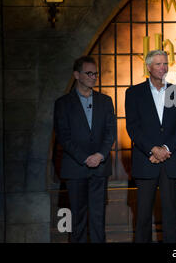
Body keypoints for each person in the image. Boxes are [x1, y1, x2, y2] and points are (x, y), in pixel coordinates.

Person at [125, 50, 176, 243]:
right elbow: (133, 127)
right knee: (143, 214)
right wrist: (153, 149)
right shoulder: (134, 93)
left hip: (170, 161)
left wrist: (166, 149)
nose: (163, 67)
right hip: (146, 160)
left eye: (165, 64)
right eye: (159, 64)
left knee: (170, 213)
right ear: (148, 67)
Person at [54, 55, 116, 243]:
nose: (93, 77)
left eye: (95, 73)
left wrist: (99, 155)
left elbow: (110, 132)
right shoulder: (63, 103)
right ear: (76, 75)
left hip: (99, 167)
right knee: (77, 220)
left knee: (98, 218)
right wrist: (85, 158)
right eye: (89, 73)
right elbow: (63, 136)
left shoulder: (105, 101)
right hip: (75, 168)